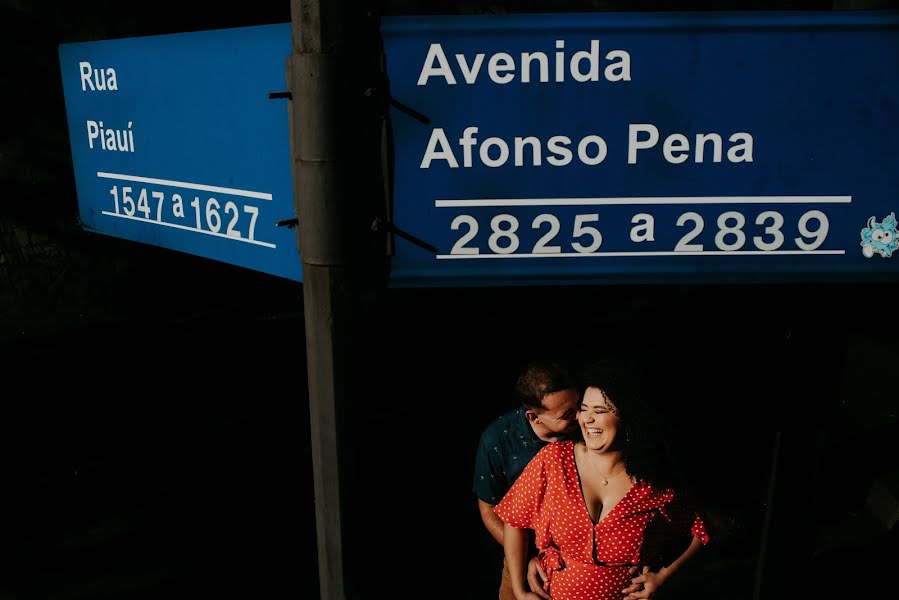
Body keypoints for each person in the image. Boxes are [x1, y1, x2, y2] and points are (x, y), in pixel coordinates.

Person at [495, 359, 710, 600]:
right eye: (584, 409)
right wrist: (520, 590)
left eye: (600, 411)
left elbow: (702, 530)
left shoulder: (650, 482)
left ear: (627, 417)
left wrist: (665, 576)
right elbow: (514, 519)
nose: (586, 419)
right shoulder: (554, 460)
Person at [473, 359, 581, 600]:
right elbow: (489, 509)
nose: (580, 416)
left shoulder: (588, 429)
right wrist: (526, 556)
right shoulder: (498, 440)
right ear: (534, 417)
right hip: (523, 556)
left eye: (579, 405)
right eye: (567, 414)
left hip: (578, 557)